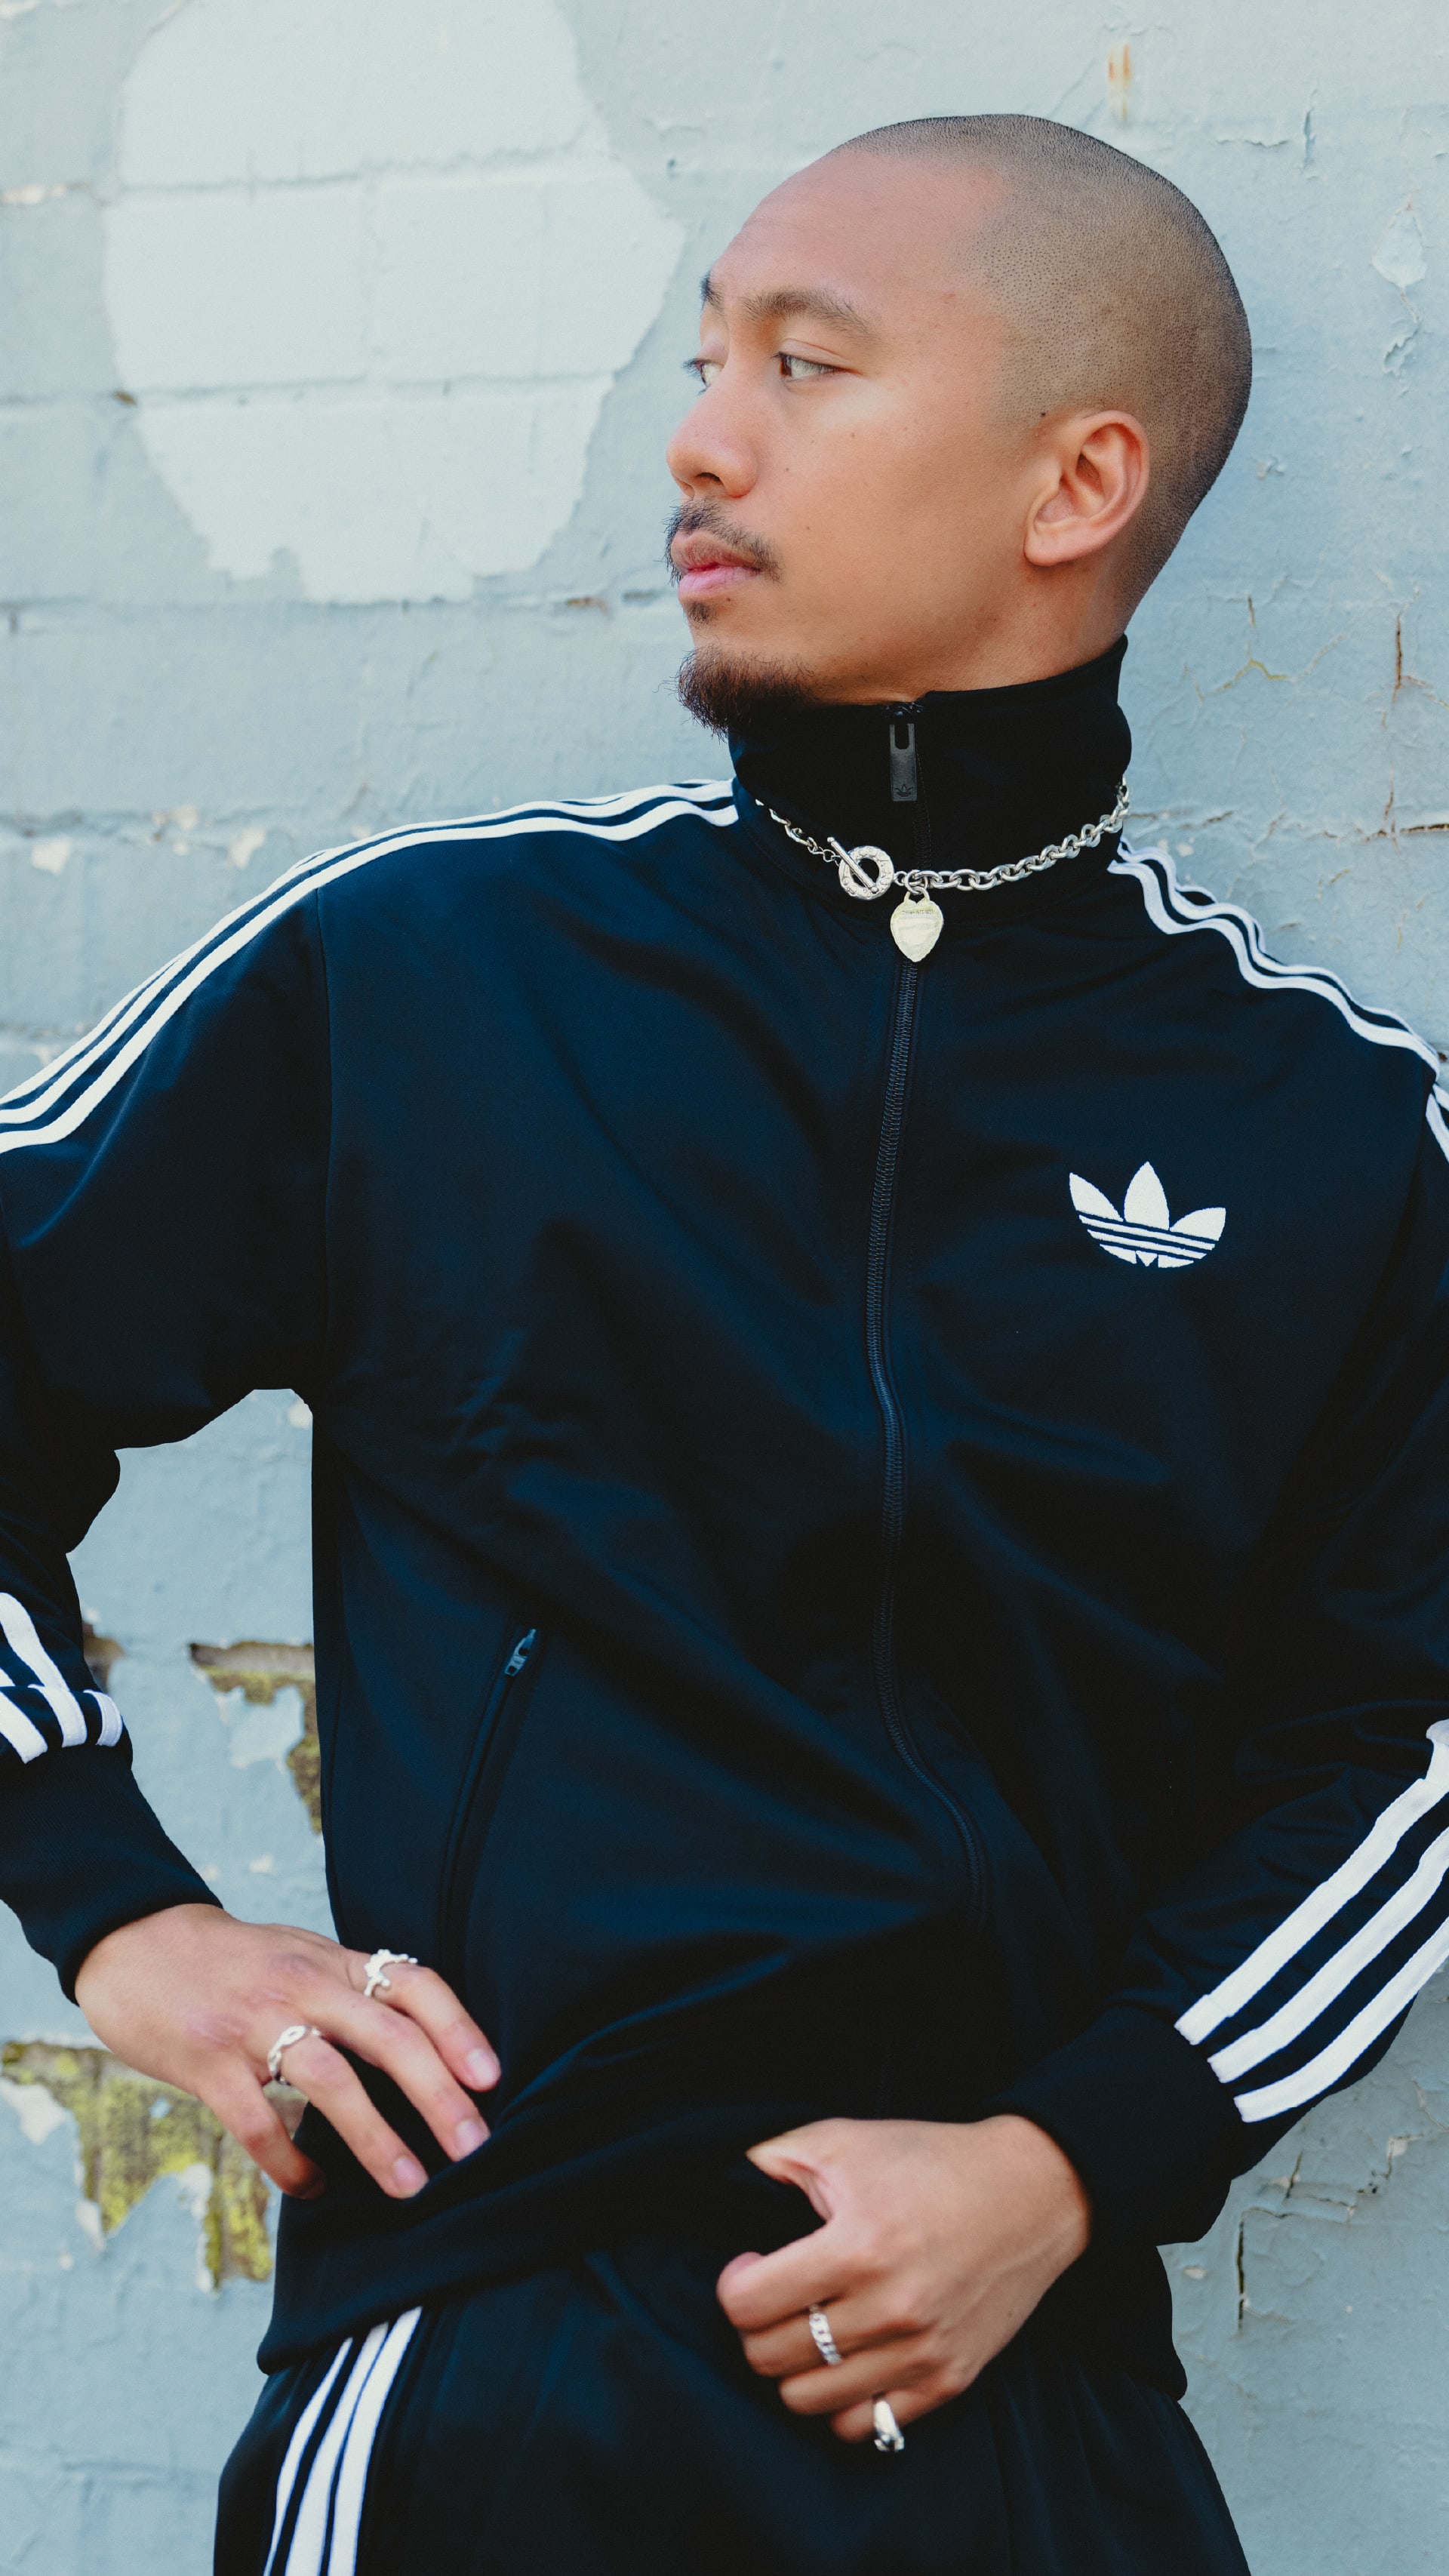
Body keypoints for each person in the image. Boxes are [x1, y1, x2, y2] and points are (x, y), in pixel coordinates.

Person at [1, 109, 1445, 2576]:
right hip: (495, 2368)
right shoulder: (432, 980)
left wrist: (1069, 2161)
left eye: (807, 363)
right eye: (702, 364)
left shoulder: (1326, 1134)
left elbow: (1395, 1746)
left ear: (1078, 479)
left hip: (1025, 2392)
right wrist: (122, 1915)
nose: (697, 439)